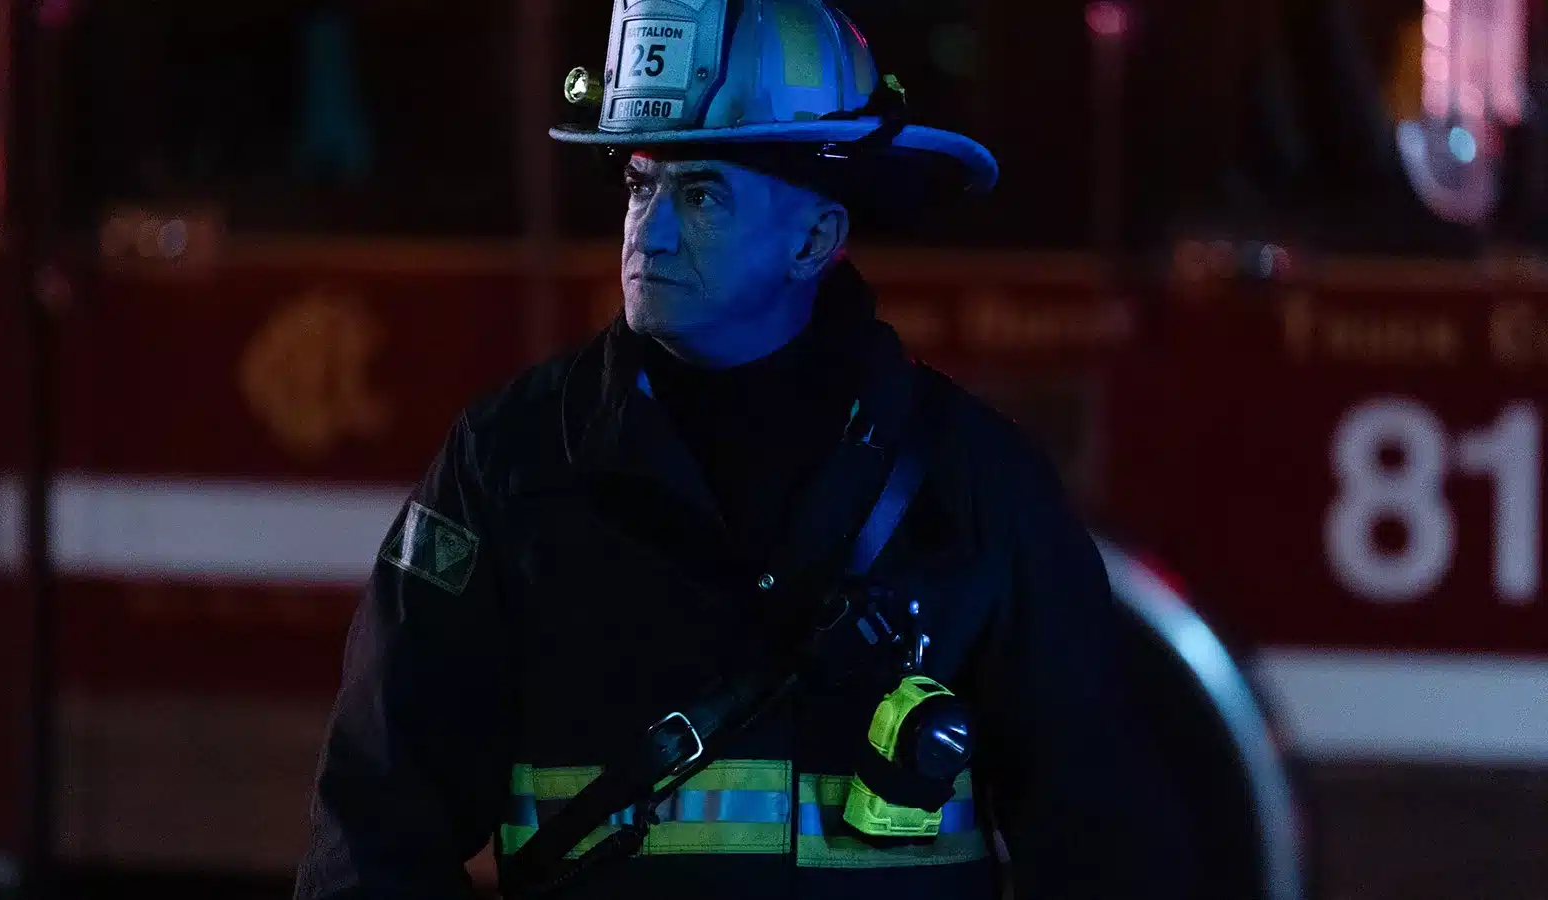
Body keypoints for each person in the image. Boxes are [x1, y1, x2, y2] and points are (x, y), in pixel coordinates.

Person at [293, 1, 1197, 898]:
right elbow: (374, 833)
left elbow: (1109, 846)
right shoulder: (509, 467)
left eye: (700, 196)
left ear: (815, 239)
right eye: (640, 186)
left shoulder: (973, 486)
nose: (648, 233)